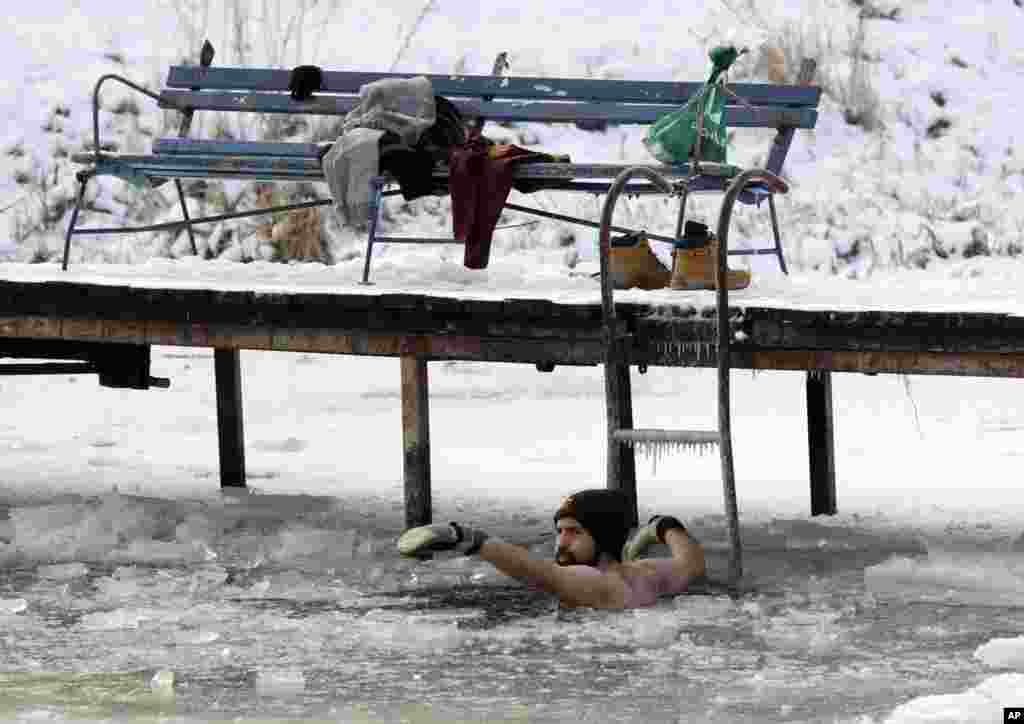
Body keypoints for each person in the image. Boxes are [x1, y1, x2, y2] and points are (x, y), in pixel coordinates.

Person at [396, 489, 705, 609]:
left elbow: (542, 573)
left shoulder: (597, 582)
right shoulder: (646, 573)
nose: (562, 541)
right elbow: (691, 564)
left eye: (575, 532)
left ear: (605, 538)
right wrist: (663, 526)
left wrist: (466, 538)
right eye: (560, 531)